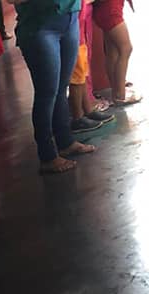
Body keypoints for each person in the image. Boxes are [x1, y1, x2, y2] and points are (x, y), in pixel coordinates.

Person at [13, 0, 97, 174]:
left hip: (70, 18)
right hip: (40, 26)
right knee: (47, 92)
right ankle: (47, 155)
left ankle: (65, 141)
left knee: (61, 87)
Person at [69, 0, 115, 131]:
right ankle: (77, 117)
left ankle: (88, 110)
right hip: (73, 29)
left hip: (81, 28)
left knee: (82, 73)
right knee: (76, 78)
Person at [92, 0, 141, 104]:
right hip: (110, 10)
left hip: (106, 10)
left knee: (112, 51)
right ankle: (120, 95)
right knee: (126, 49)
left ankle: (116, 91)